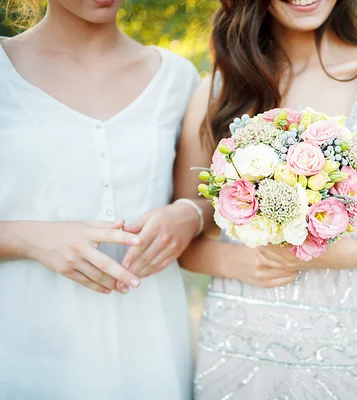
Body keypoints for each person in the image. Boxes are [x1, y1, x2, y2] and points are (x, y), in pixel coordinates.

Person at [178, 0, 357, 397]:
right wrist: (239, 259)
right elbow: (185, 237)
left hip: (341, 347)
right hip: (235, 343)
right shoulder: (220, 88)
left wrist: (338, 255)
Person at [0, 0, 210, 398]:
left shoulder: (176, 77)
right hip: (22, 345)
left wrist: (188, 216)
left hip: (150, 348)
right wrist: (29, 237)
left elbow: (202, 202)